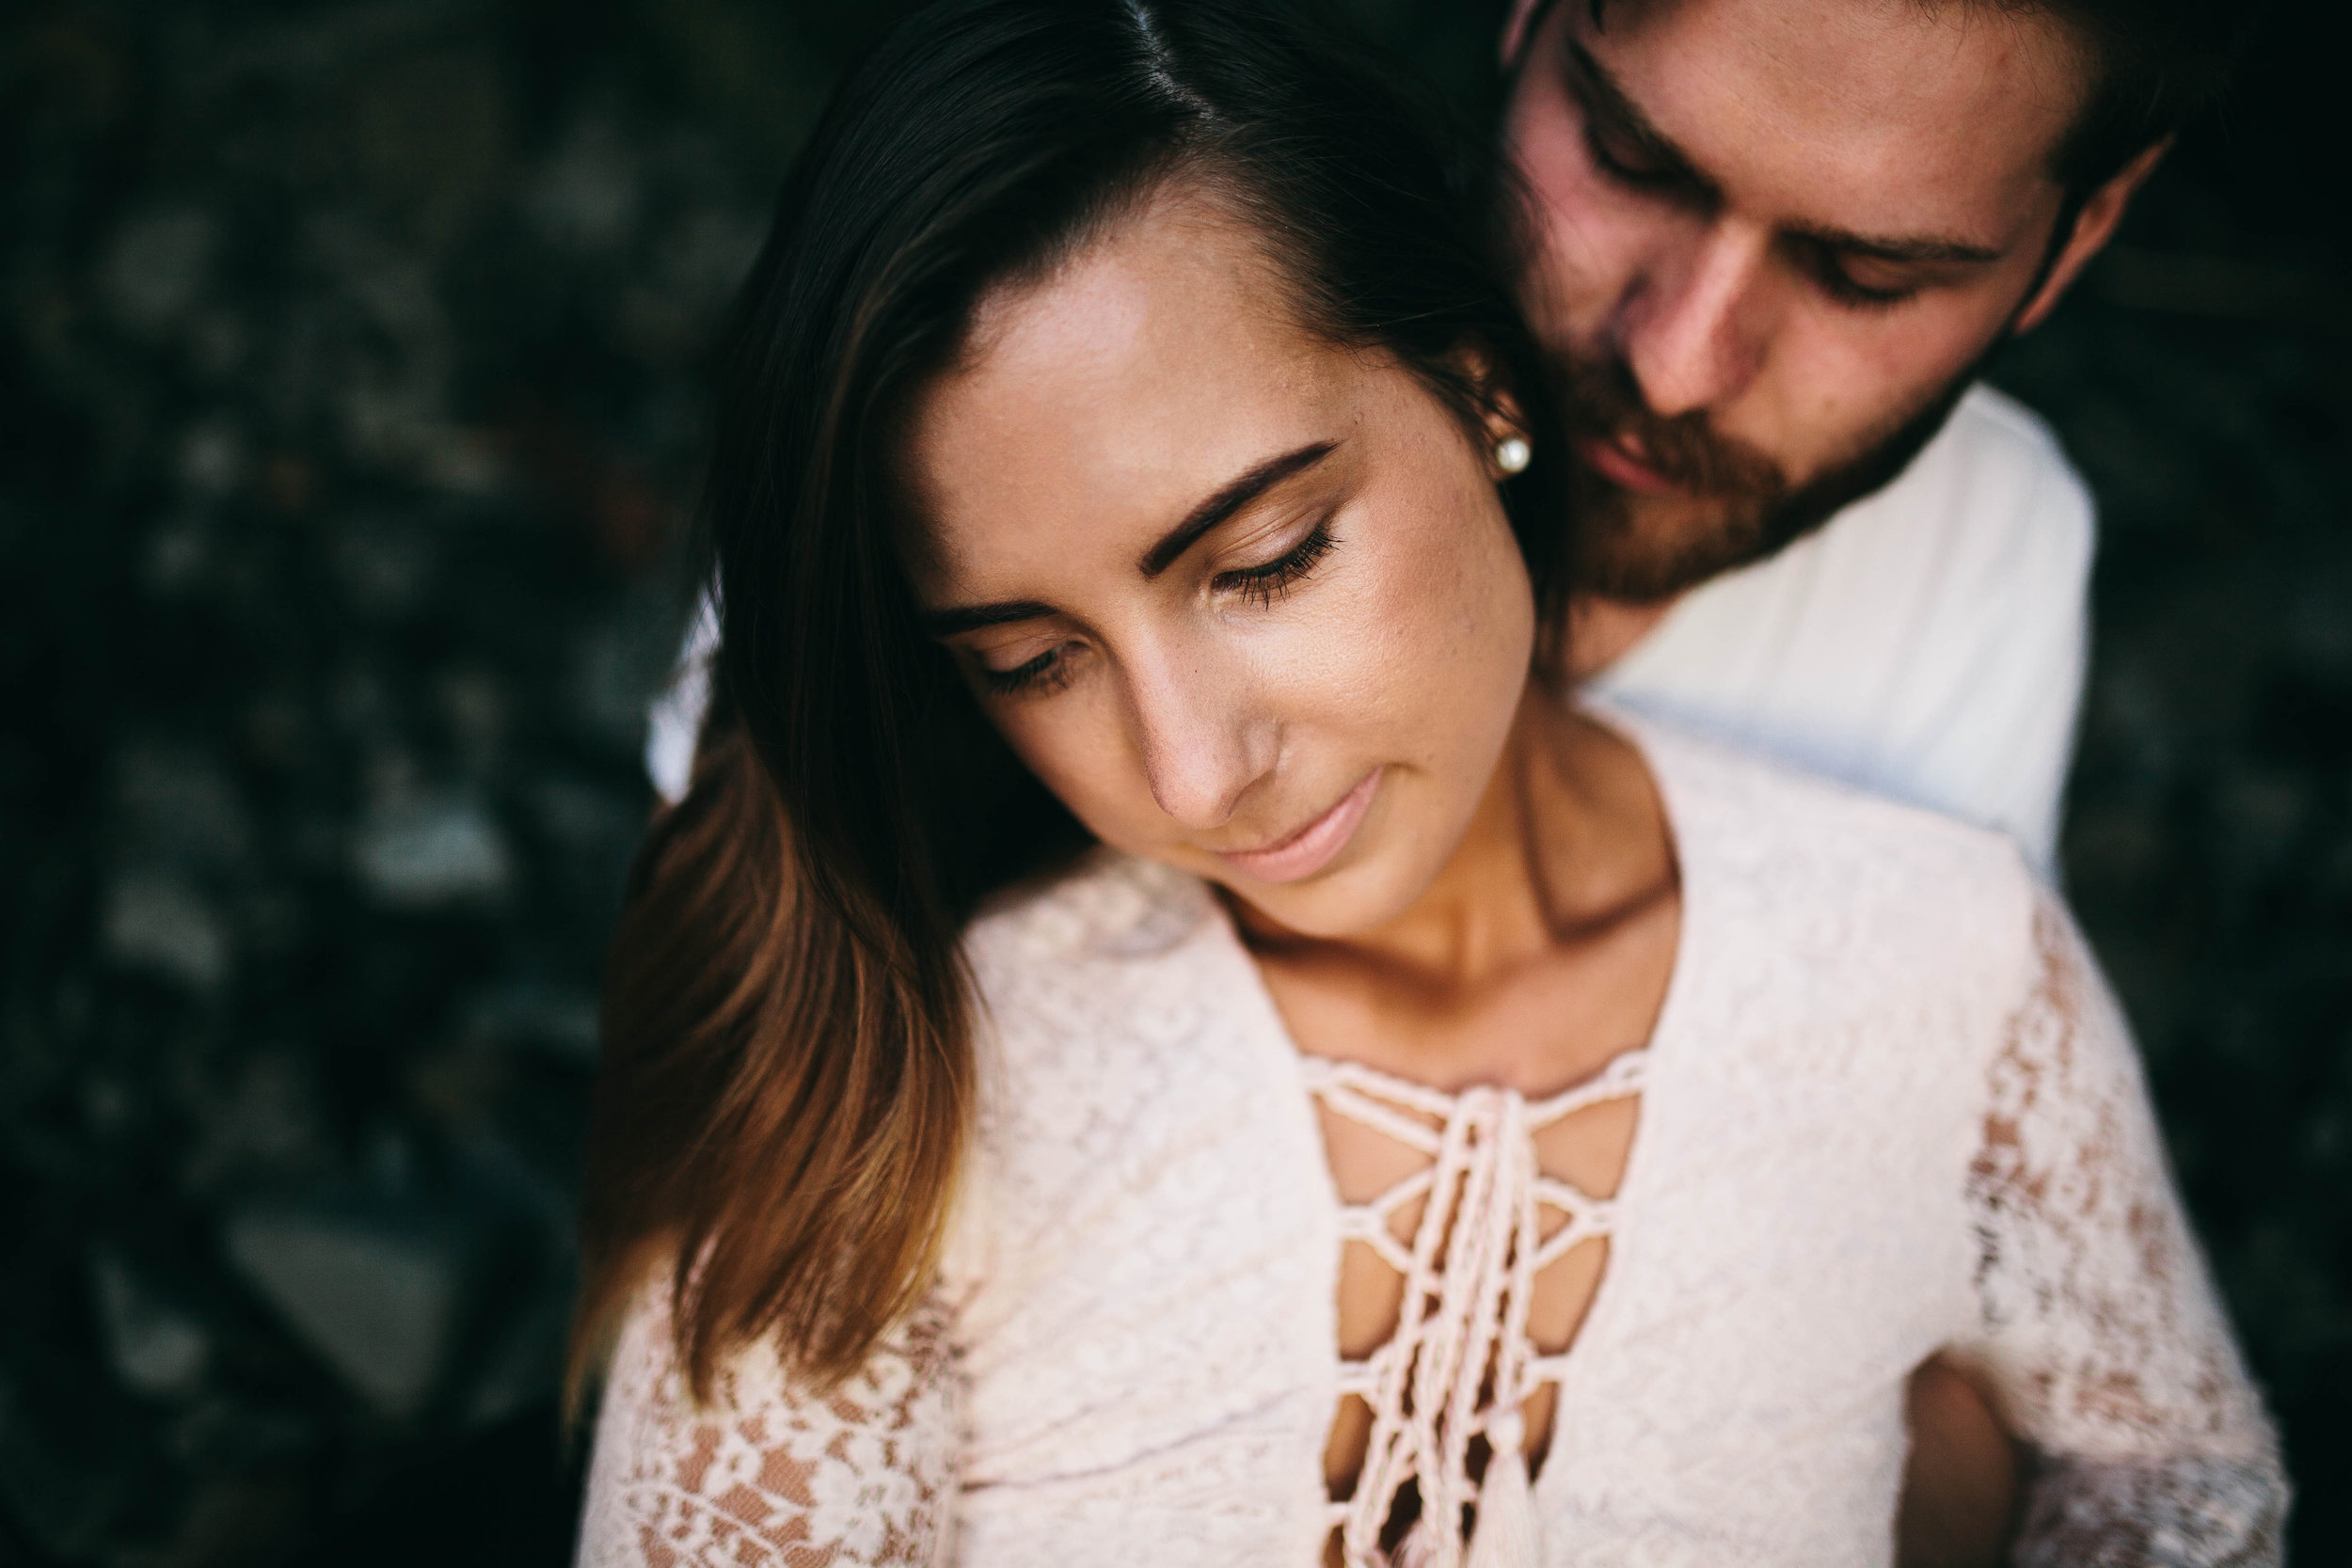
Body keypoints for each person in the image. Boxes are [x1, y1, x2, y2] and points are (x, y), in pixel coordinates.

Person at [570, 3, 2285, 1564]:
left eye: (1865, 272)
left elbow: (2017, 1388)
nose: (1189, 776)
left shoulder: (1970, 665)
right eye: (1631, 159)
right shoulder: (913, 937)